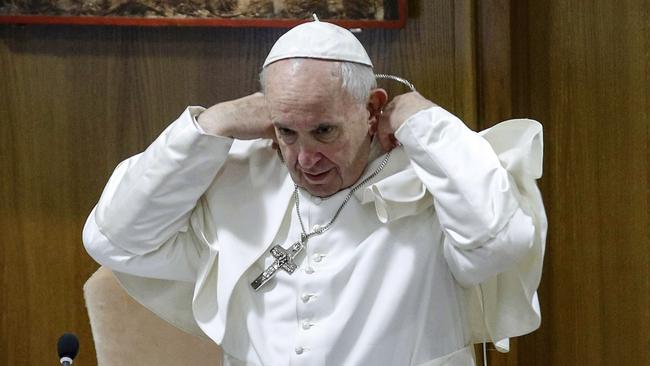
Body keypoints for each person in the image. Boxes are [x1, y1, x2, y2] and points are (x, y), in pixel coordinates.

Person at [83, 19, 546, 366]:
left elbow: (499, 242)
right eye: (287, 132)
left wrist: (421, 121)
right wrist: (210, 126)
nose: (304, 160)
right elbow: (115, 240)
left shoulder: (433, 180)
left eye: (324, 131)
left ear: (371, 108)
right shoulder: (238, 183)